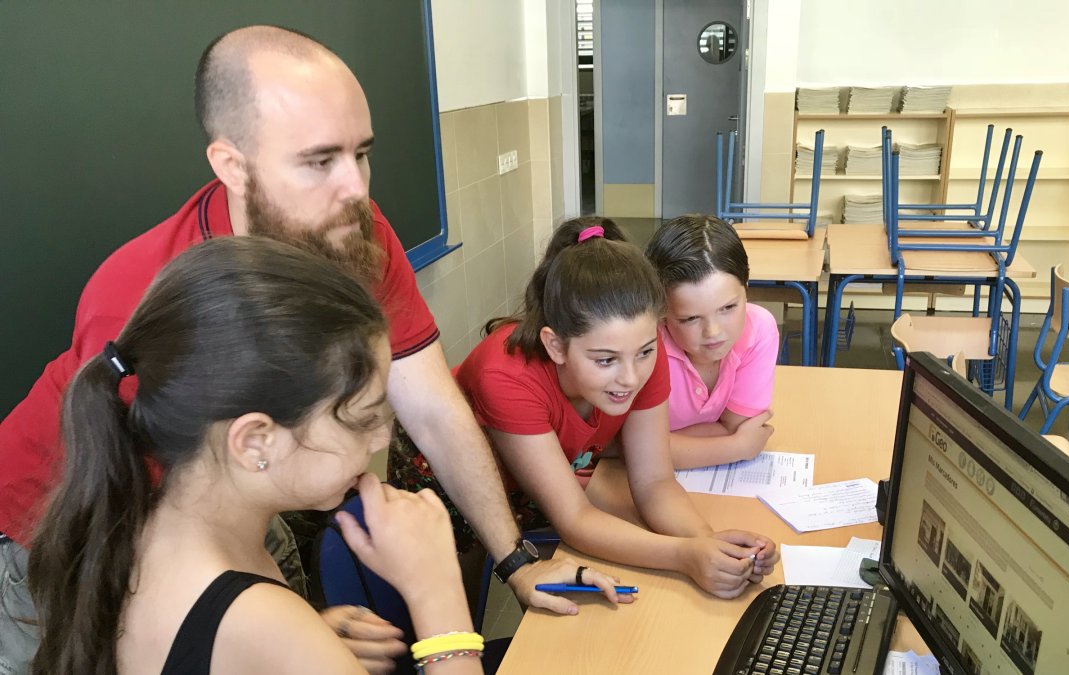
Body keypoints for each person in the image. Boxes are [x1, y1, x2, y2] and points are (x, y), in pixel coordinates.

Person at [0, 25, 571, 673]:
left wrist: (514, 557)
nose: (355, 188)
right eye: (320, 160)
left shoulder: (349, 228)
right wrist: (276, 636)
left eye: (363, 153)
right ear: (232, 165)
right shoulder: (142, 302)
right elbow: (151, 591)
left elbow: (433, 407)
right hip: (63, 538)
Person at [27, 237, 621, 675]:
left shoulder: (155, 530)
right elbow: (252, 637)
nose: (382, 440)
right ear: (256, 441)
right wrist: (438, 595)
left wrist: (313, 635)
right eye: (362, 420)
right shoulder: (257, 620)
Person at [449, 217, 780, 599]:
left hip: (554, 479)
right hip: (457, 492)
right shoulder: (506, 374)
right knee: (455, 610)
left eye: (645, 352)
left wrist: (712, 547)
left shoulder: (637, 352)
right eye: (605, 360)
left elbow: (654, 481)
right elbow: (574, 518)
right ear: (555, 346)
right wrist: (685, 555)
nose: (630, 378)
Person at [643, 215, 778, 469]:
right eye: (690, 318)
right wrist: (737, 446)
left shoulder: (758, 329)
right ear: (662, 311)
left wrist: (662, 444)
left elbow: (738, 425)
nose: (713, 332)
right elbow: (629, 448)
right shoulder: (644, 345)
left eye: (728, 307)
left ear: (746, 286)